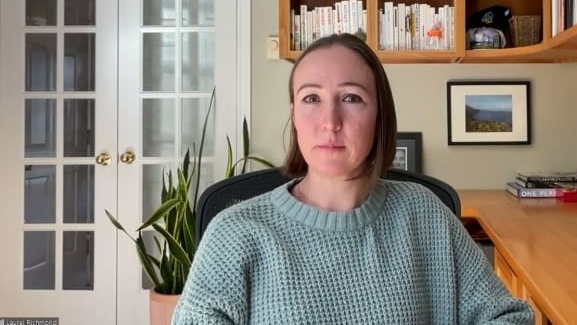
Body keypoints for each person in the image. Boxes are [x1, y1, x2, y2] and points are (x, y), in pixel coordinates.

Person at [171, 33, 534, 324]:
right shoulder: (235, 233)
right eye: (311, 98)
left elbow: (506, 316)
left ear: (380, 115)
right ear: (294, 115)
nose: (330, 120)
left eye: (351, 97)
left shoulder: (426, 215)